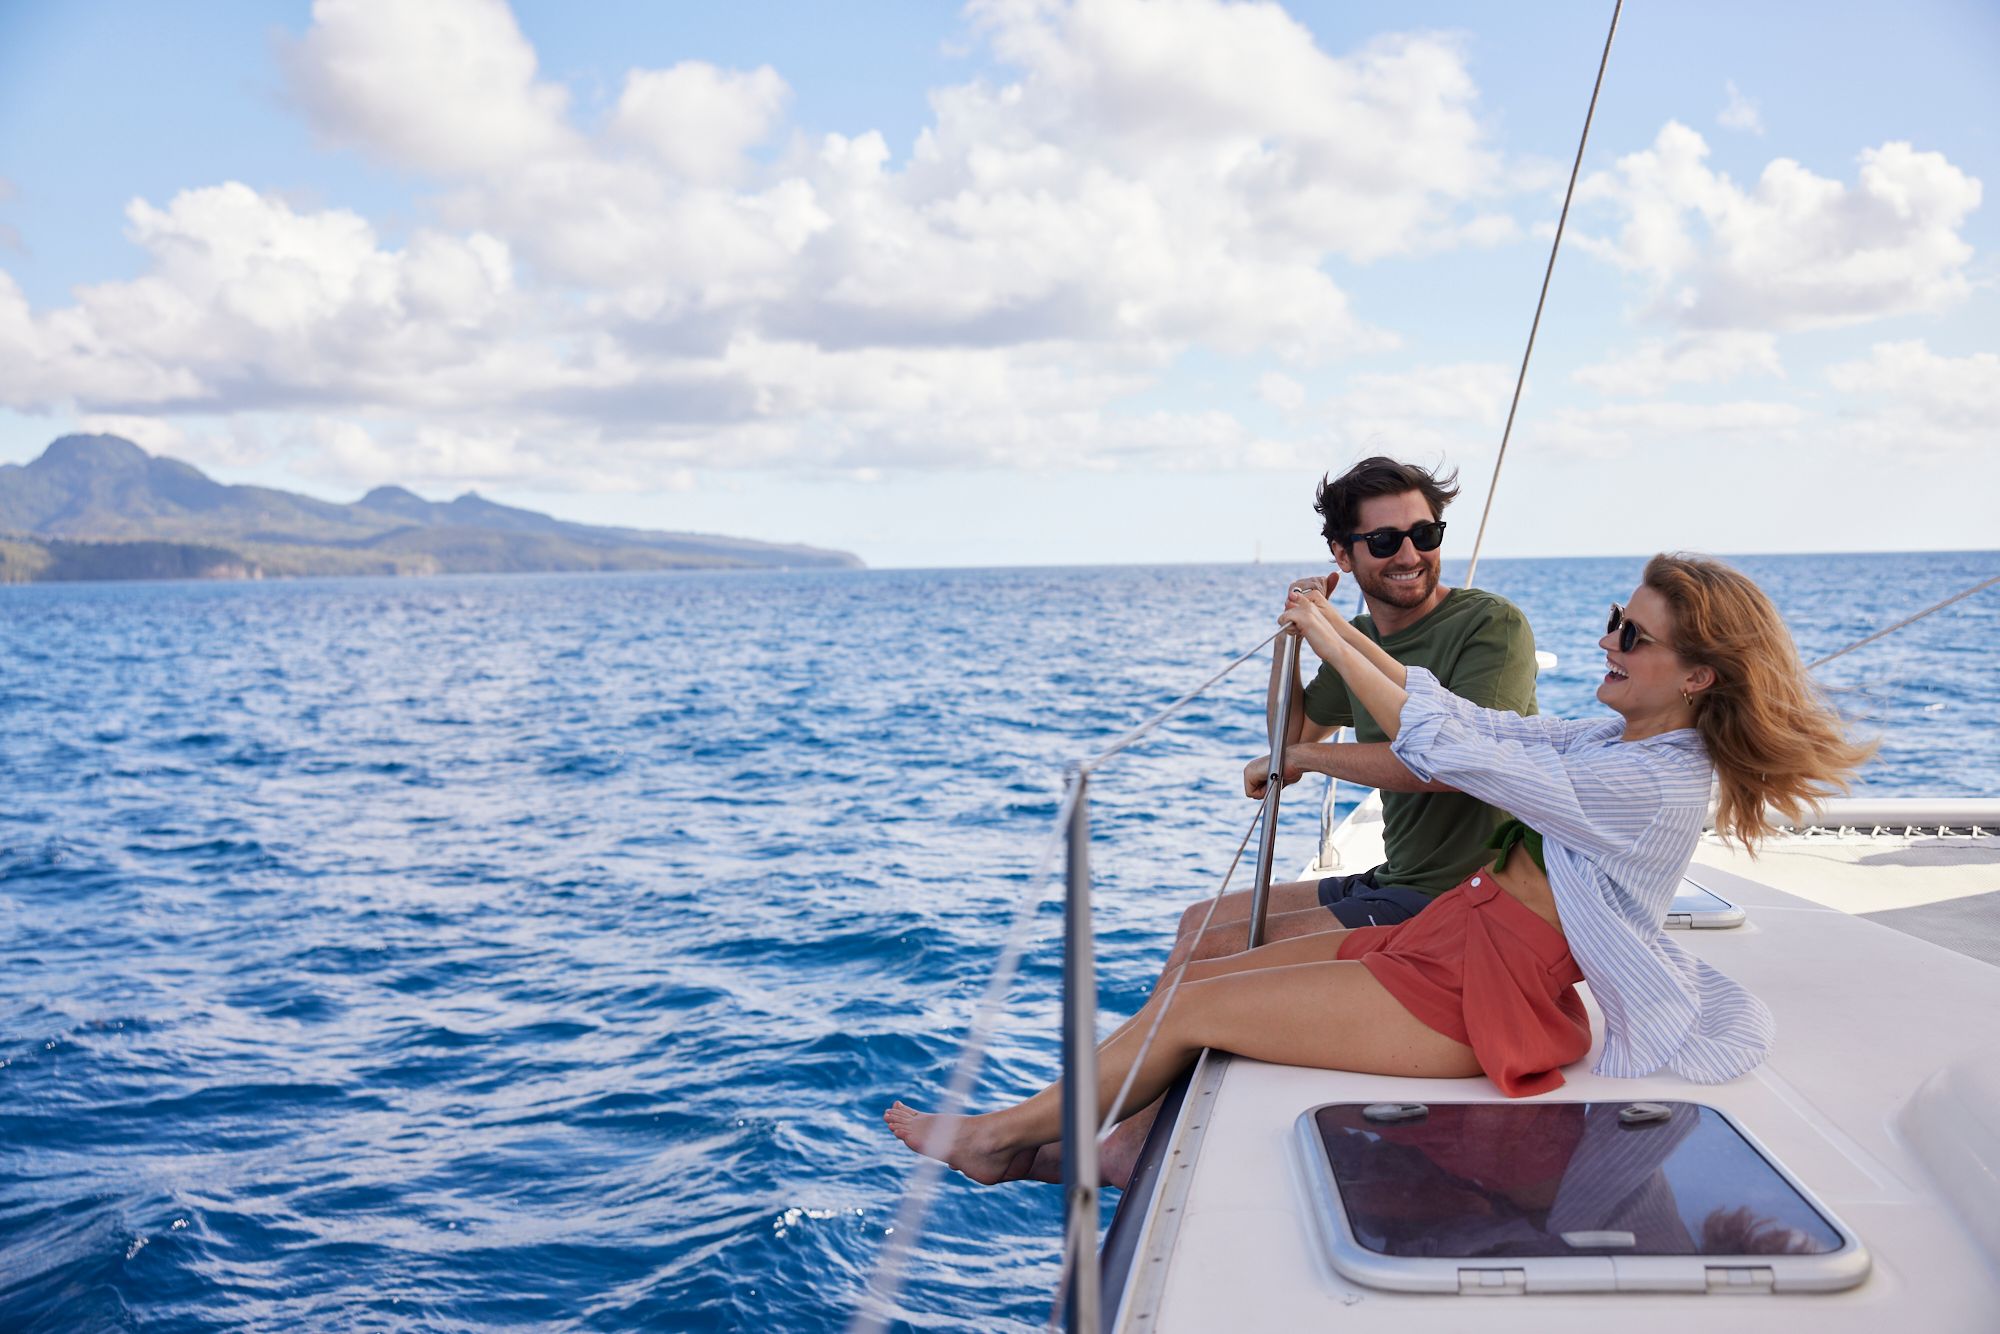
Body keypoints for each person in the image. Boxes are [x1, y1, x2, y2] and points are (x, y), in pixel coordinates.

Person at [886, 554, 1872, 1186]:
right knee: (1196, 979)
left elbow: (1455, 751)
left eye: (1632, 634)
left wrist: (1320, 633)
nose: (1606, 639)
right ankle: (1099, 1146)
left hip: (1488, 994)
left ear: (1696, 675)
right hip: (1457, 938)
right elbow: (1481, 722)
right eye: (1616, 615)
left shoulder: (1654, 779)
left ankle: (996, 1137)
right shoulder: (1618, 739)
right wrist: (1344, 632)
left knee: (1188, 1012)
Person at [1165, 456, 1539, 981]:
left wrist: (1308, 757)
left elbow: (1455, 767)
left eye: (1425, 533)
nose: (1410, 554)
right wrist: (1292, 636)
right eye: (1385, 541)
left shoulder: (1491, 624)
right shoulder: (1358, 635)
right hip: (1401, 879)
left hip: (1472, 893)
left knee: (1202, 958)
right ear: (1342, 554)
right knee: (1196, 924)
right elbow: (1286, 738)